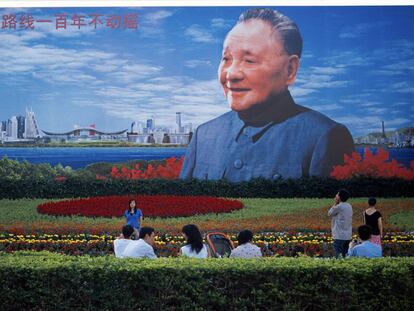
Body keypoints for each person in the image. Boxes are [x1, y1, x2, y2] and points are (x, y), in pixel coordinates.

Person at [180, 8, 354, 182]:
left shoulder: (325, 136)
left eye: (249, 60)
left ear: (290, 69)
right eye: (226, 59)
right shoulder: (204, 135)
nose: (231, 74)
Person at [328, 189, 353, 258]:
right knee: (344, 256)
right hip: (348, 235)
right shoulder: (349, 206)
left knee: (338, 257)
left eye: (337, 194)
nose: (336, 195)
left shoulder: (339, 206)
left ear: (339, 197)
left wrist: (335, 203)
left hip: (339, 235)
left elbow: (329, 213)